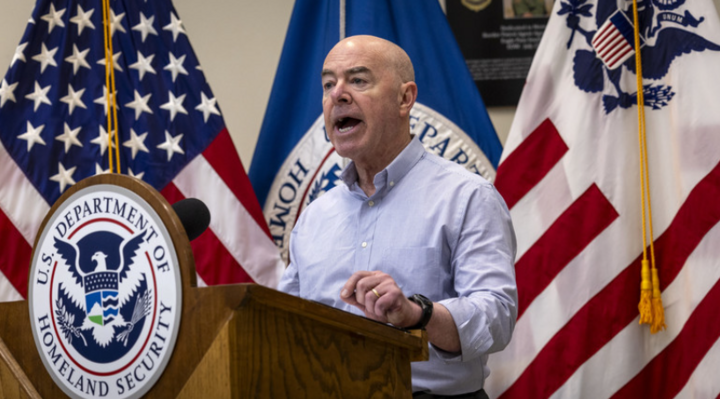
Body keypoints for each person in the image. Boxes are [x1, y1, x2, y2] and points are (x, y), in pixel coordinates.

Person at [278, 35, 517, 398]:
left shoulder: (466, 196)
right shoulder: (314, 218)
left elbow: (496, 318)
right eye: (329, 84)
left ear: (405, 98)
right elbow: (284, 324)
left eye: (358, 80)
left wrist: (416, 314)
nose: (337, 94)